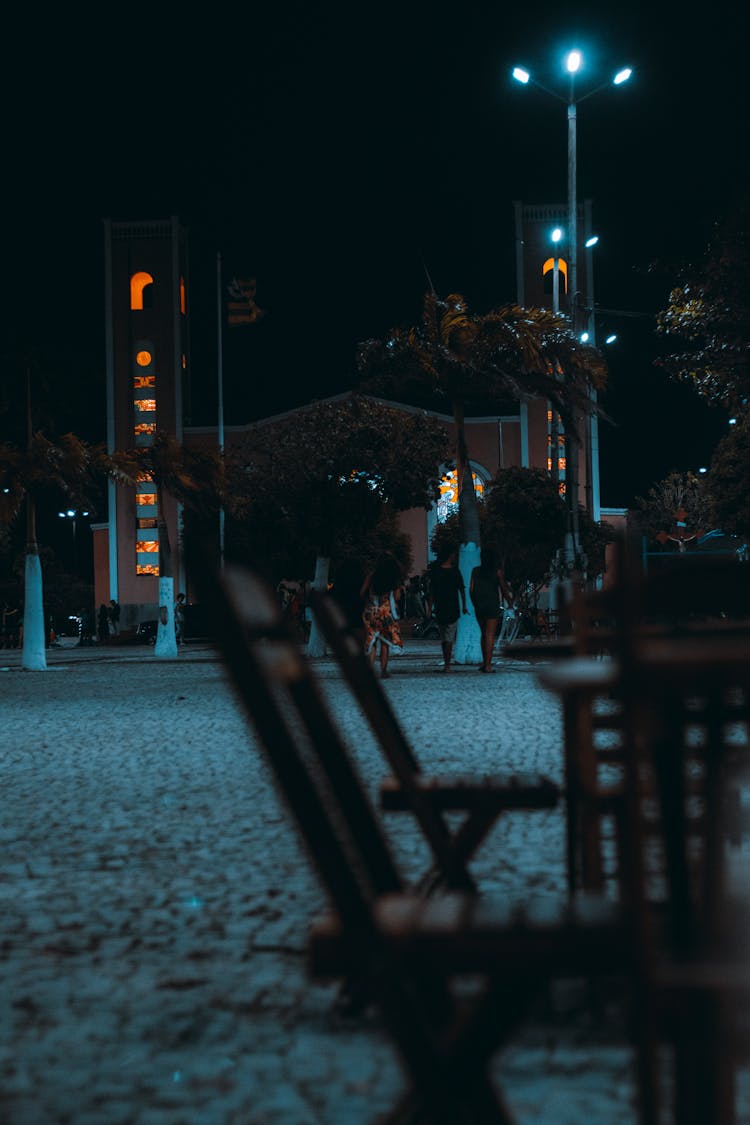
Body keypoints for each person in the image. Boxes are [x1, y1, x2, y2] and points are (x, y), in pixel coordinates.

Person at [360, 552, 404, 678]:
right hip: (385, 613)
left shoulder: (371, 576)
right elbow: (396, 598)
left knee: (372, 641)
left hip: (371, 611)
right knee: (385, 643)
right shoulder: (394, 579)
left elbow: (362, 593)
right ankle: (383, 671)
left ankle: (369, 672)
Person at [470, 547, 513, 673]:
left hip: (479, 606)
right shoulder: (497, 571)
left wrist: (475, 604)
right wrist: (510, 602)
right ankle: (488, 665)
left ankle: (484, 663)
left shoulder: (475, 571)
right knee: (490, 635)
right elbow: (504, 589)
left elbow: (471, 590)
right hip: (492, 605)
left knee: (483, 634)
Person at [427, 548, 468, 671]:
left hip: (440, 608)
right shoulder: (455, 571)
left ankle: (446, 663)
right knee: (449, 637)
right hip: (452, 608)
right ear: (450, 556)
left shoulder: (436, 571)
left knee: (444, 638)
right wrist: (464, 606)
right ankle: (447, 664)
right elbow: (461, 590)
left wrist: (429, 609)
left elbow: (431, 593)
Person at [329, 558, 366, 647]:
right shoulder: (360, 581)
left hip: (342, 615)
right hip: (357, 614)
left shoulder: (339, 583)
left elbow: (332, 596)